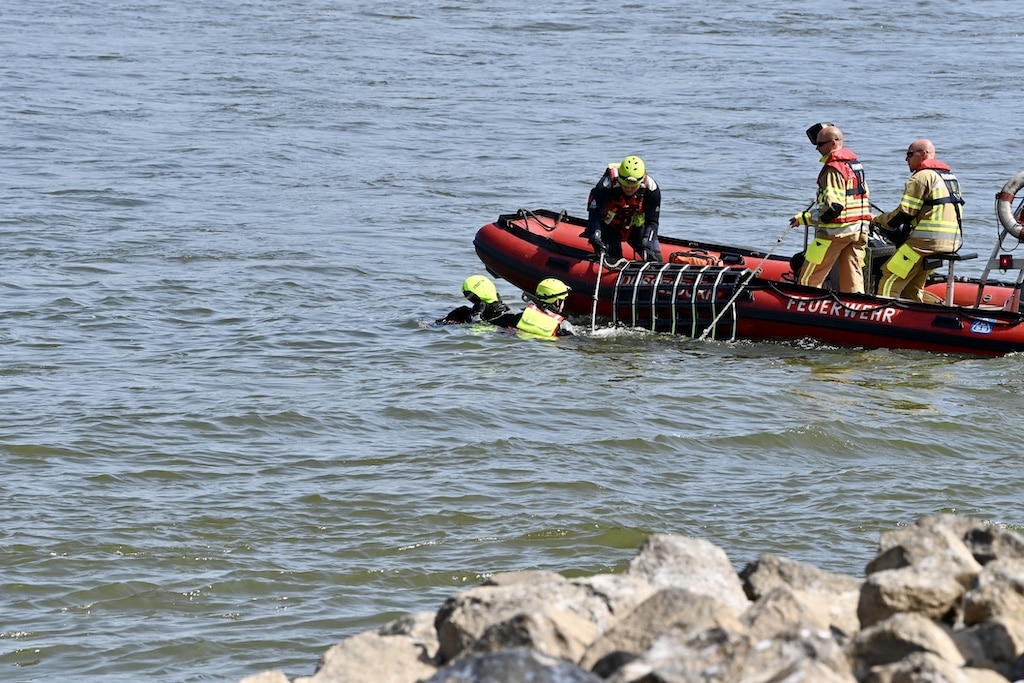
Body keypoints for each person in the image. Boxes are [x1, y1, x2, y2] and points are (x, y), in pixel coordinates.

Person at [871, 139, 964, 301]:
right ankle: (914, 310)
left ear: (923, 154)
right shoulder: (950, 178)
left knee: (889, 276)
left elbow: (904, 213)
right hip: (951, 242)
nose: (906, 159)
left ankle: (884, 311)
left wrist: (878, 220)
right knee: (912, 284)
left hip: (924, 243)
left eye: (909, 154)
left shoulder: (921, 177)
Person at [789, 124, 872, 293]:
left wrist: (803, 218)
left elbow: (833, 208)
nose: (817, 148)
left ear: (833, 143)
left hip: (835, 232)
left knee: (809, 278)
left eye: (820, 144)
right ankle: (854, 305)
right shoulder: (855, 165)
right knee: (853, 279)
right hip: (858, 230)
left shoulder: (833, 169)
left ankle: (805, 303)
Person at [586, 155, 662, 263]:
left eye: (633, 186)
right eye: (625, 185)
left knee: (655, 258)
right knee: (613, 259)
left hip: (635, 227)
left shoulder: (652, 189)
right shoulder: (606, 186)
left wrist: (647, 244)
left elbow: (652, 222)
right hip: (609, 225)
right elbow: (595, 216)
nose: (629, 189)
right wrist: (596, 237)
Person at [436, 274, 520, 327]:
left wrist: (476, 315)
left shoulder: (508, 320)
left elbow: (478, 336)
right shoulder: (515, 312)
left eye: (468, 296)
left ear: (475, 298)